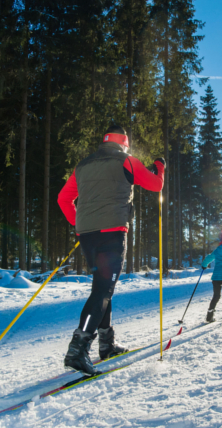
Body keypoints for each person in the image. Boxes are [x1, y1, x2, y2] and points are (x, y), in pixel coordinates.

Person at [57, 125, 165, 375]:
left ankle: (106, 345)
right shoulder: (126, 161)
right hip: (112, 234)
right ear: (124, 143)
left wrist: (80, 222)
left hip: (87, 235)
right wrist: (160, 165)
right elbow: (156, 184)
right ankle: (77, 350)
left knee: (102, 288)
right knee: (103, 290)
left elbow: (64, 199)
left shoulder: (83, 165)